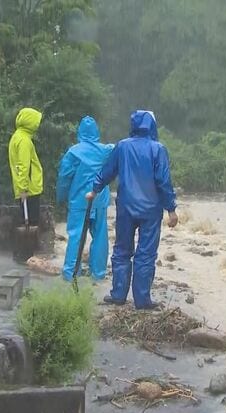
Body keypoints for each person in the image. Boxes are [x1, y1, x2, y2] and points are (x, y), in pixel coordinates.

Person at [86, 110, 178, 310]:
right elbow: (163, 181)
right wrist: (171, 209)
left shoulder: (122, 146)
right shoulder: (158, 149)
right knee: (145, 254)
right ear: (152, 126)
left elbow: (107, 171)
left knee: (122, 250)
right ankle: (142, 300)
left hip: (126, 207)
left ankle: (118, 295)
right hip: (151, 210)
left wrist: (94, 189)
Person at [57, 116, 114, 282]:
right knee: (100, 235)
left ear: (79, 132)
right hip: (100, 198)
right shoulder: (105, 150)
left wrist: (61, 197)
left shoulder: (73, 152)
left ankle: (71, 273)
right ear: (96, 131)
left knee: (75, 235)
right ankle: (98, 273)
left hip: (79, 199)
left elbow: (64, 177)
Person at [8, 107, 44, 262]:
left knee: (25, 221)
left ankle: (23, 254)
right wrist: (23, 188)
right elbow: (24, 166)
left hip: (25, 188)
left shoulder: (18, 137)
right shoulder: (24, 140)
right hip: (29, 190)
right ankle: (25, 255)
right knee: (29, 223)